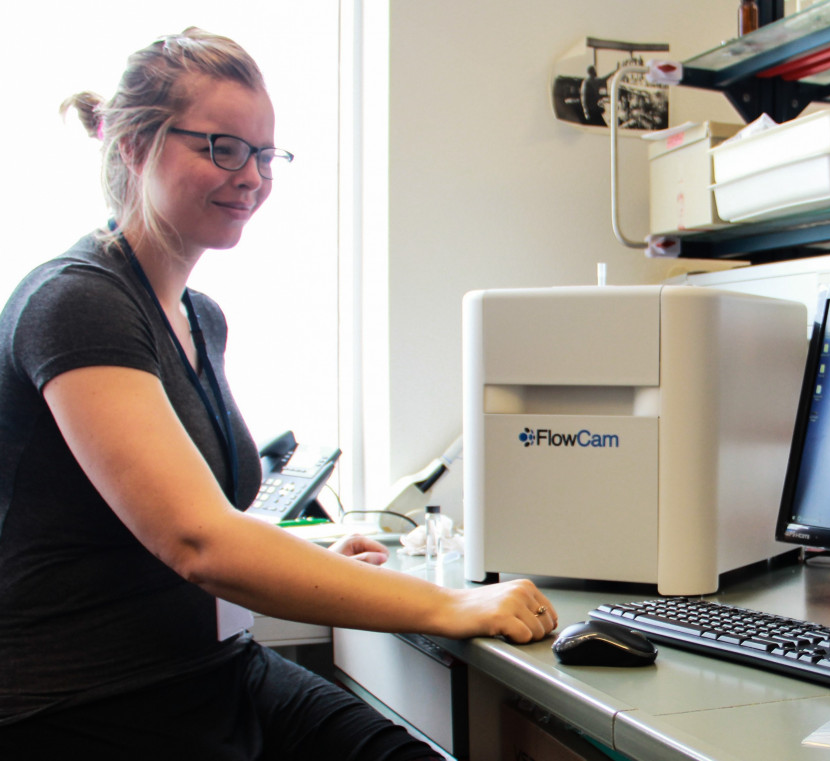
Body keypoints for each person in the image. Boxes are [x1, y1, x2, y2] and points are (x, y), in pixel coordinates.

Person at [0, 28, 557, 760]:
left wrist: (317, 561)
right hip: (91, 703)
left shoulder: (200, 318)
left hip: (214, 673)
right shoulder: (77, 302)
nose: (252, 178)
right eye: (223, 148)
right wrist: (451, 603)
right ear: (134, 147)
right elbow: (198, 542)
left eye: (265, 155)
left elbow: (195, 521)